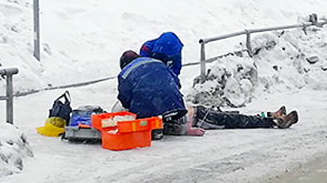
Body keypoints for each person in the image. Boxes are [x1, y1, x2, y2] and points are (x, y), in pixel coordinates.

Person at [117, 50, 298, 135]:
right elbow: (175, 84)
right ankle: (272, 119)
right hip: (187, 113)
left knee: (232, 119)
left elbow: (125, 100)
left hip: (190, 116)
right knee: (233, 119)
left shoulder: (125, 77)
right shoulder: (155, 63)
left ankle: (271, 118)